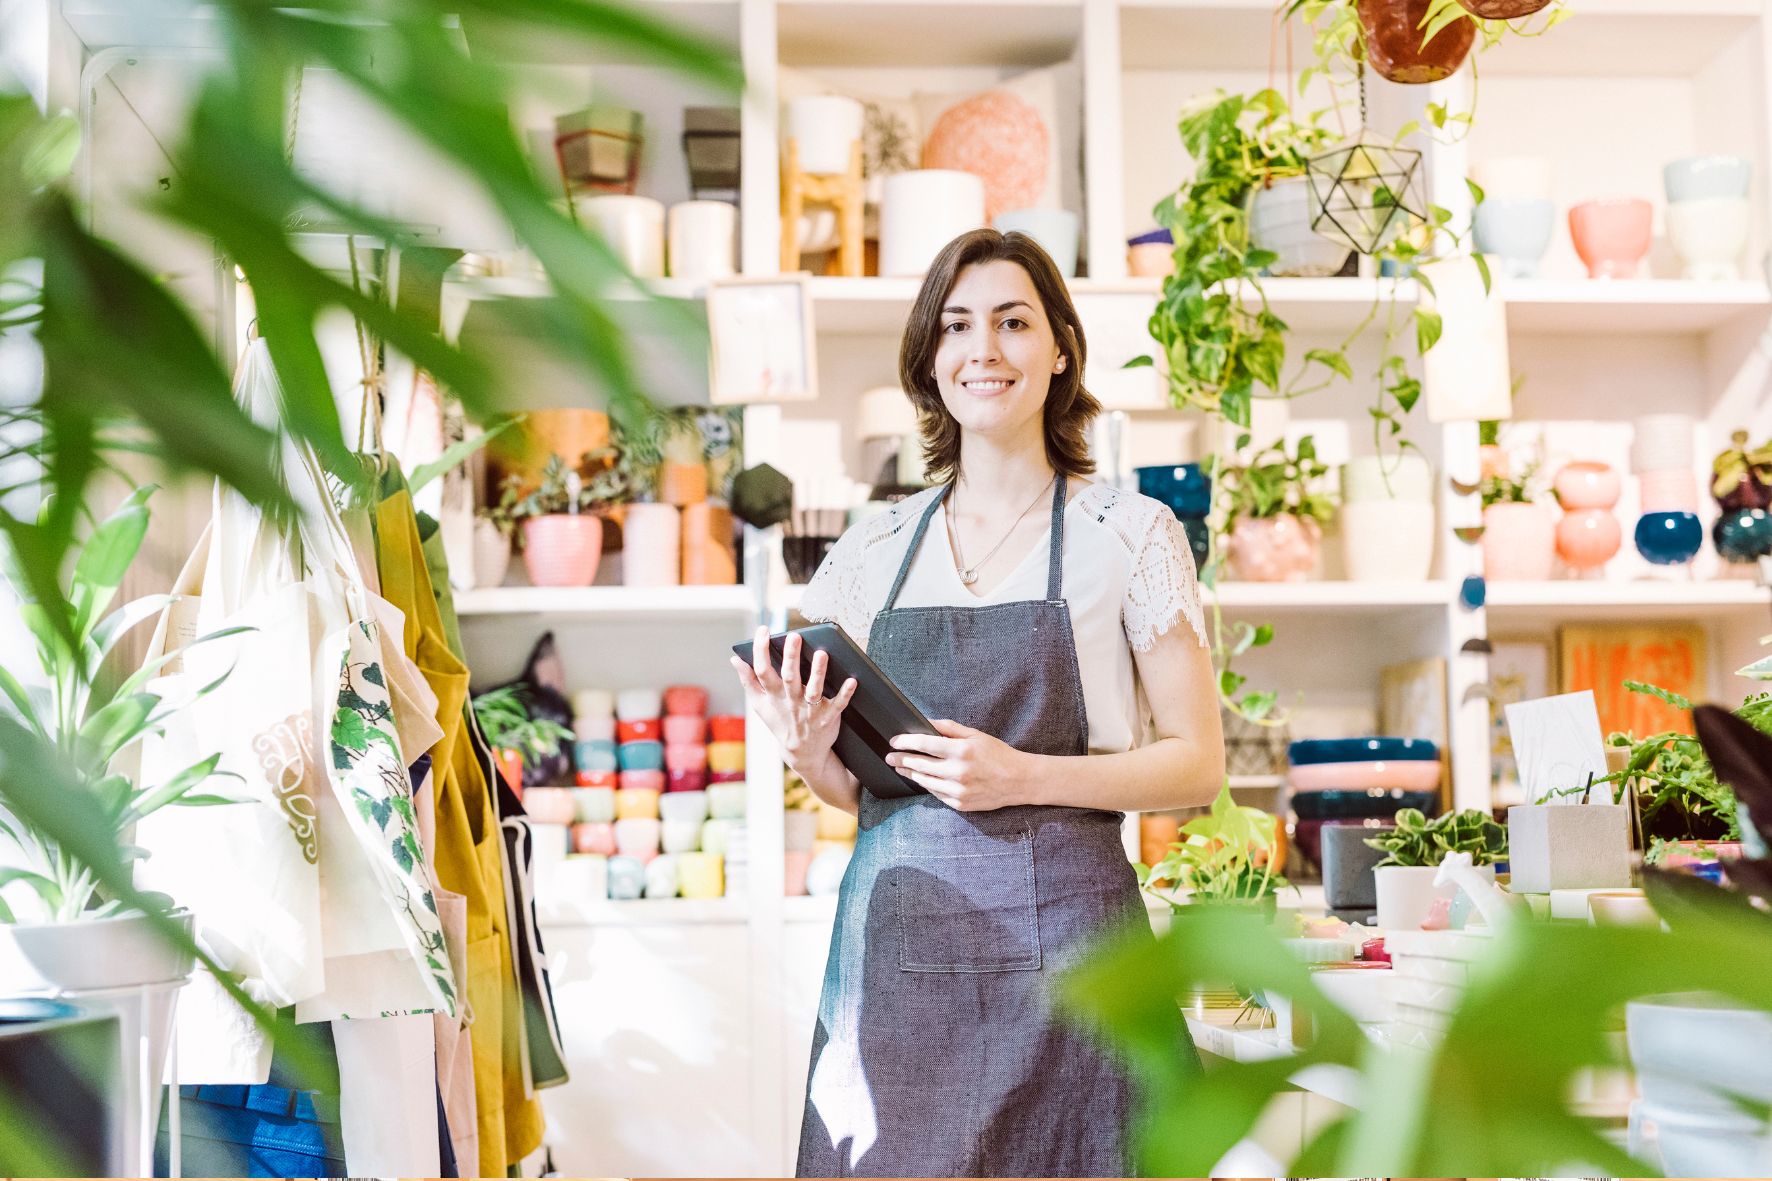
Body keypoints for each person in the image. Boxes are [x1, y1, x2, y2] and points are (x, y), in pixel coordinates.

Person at [728, 228, 1224, 1178]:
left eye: (1012, 322)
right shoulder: (870, 552)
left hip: (1080, 966)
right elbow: (865, 793)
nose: (983, 350)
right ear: (929, 358)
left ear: (1060, 351)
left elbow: (1197, 762)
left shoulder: (1128, 532)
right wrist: (807, 750)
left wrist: (1021, 774)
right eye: (956, 326)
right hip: (900, 971)